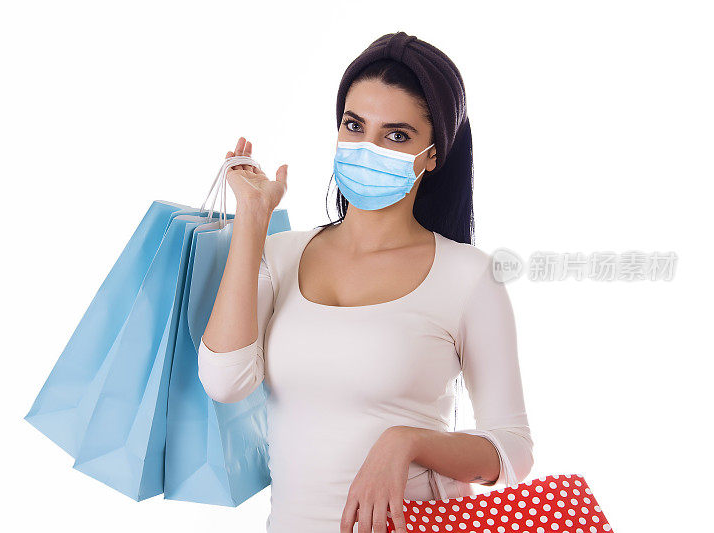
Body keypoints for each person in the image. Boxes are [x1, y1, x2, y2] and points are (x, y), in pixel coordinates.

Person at [197, 31, 534, 533]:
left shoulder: (468, 276)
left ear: (434, 154)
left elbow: (513, 451)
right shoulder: (280, 255)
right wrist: (252, 218)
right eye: (354, 126)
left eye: (396, 135)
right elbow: (225, 382)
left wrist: (408, 441)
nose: (367, 148)